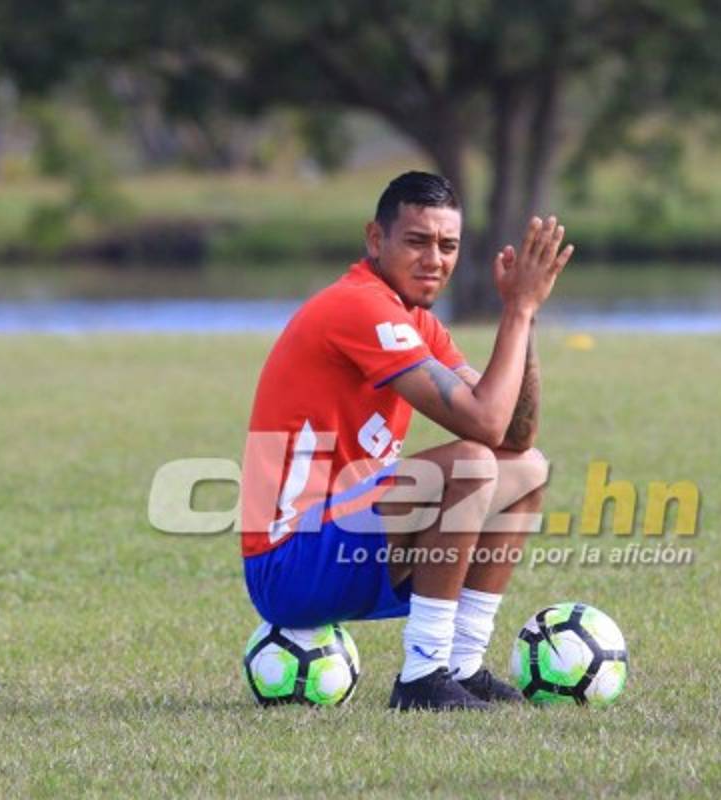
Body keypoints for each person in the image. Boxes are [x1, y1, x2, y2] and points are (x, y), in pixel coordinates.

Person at [241, 171, 573, 710]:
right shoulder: (358, 305)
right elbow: (485, 424)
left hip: (342, 541)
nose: (434, 260)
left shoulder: (415, 321)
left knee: (527, 469)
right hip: (288, 561)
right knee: (472, 463)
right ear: (376, 239)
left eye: (448, 246)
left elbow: (516, 432)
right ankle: (422, 676)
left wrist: (525, 315)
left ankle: (461, 666)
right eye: (417, 241)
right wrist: (517, 311)